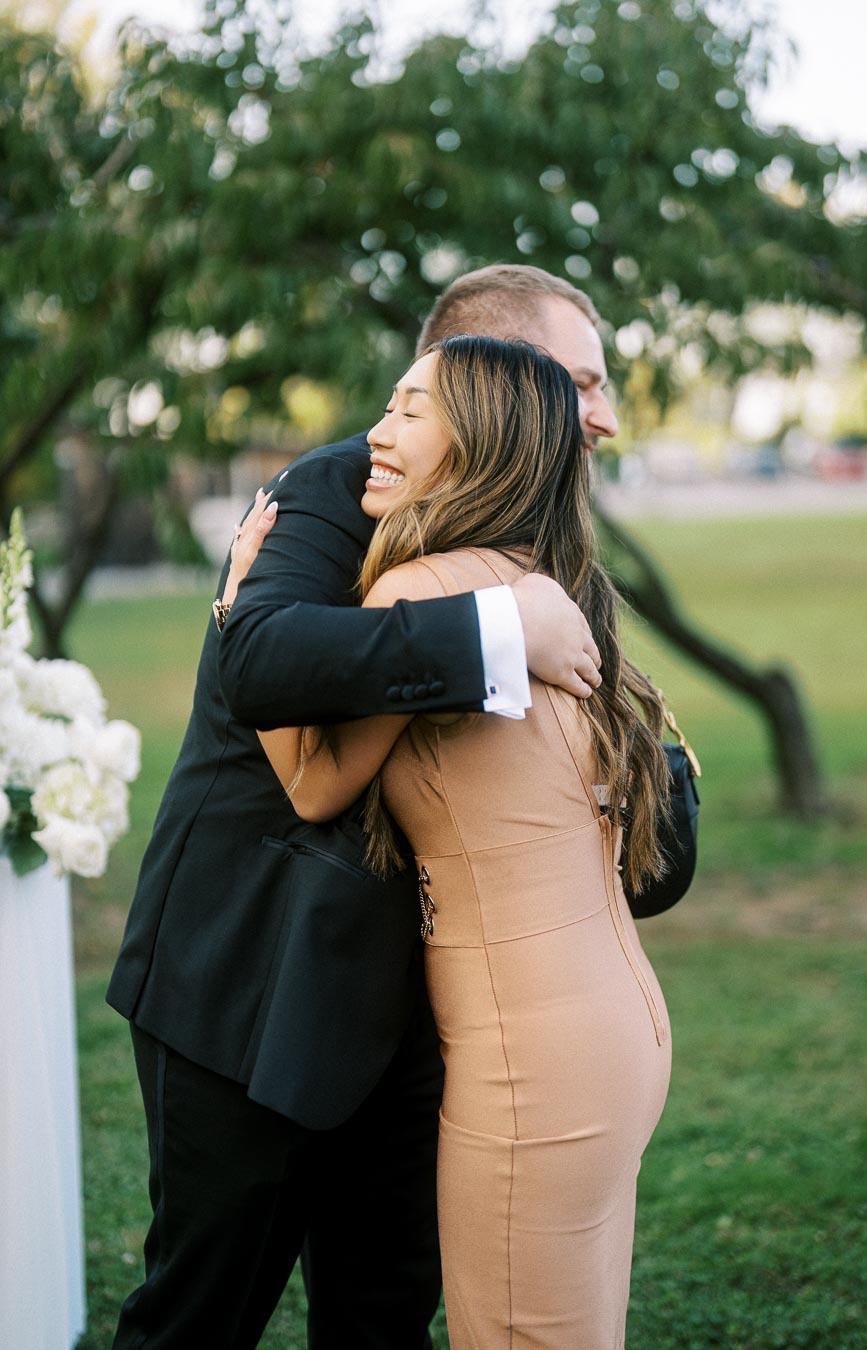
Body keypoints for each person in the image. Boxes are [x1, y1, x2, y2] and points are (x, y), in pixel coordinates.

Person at [106, 265, 611, 1348]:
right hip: (248, 991)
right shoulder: (338, 486)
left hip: (429, 1022)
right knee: (199, 1316)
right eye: (583, 382)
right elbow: (267, 662)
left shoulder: (546, 545)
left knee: (384, 1319)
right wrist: (496, 633)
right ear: (502, 386)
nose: (603, 413)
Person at [231, 335, 673, 1348]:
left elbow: (311, 783)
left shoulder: (421, 594)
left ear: (479, 443)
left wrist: (241, 603)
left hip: (531, 1050)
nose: (376, 435)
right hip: (618, 1025)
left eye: (410, 411)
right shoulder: (548, 586)